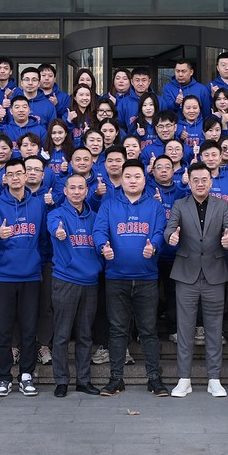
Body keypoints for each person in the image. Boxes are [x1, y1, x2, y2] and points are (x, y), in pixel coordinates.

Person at [93, 161, 169, 397]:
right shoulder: (109, 204)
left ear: (145, 180)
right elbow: (99, 230)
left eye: (137, 176)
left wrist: (154, 246)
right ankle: (116, 379)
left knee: (148, 330)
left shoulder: (154, 206)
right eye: (128, 176)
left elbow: (160, 232)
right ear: (121, 180)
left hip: (147, 278)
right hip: (116, 277)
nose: (133, 180)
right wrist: (103, 246)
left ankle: (154, 379)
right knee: (117, 331)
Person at [164, 162, 228, 399]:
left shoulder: (221, 205)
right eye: (196, 180)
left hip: (214, 273)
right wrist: (171, 237)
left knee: (214, 329)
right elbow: (169, 229)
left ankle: (214, 379)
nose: (200, 184)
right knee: (185, 329)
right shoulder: (179, 204)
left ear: (211, 182)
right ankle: (184, 379)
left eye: (204, 179)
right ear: (189, 182)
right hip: (186, 273)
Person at [0, 158, 49, 398]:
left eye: (20, 173)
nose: (16, 177)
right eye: (10, 174)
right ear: (5, 178)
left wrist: (37, 263)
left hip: (30, 276)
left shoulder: (38, 205)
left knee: (29, 329)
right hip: (3, 277)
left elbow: (43, 241)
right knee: (4, 330)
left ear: (26, 175)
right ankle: (4, 376)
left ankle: (26, 375)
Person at [46, 173, 103, 397]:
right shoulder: (56, 214)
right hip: (66, 280)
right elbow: (54, 227)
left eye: (81, 188)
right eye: (73, 188)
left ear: (87, 191)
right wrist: (58, 232)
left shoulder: (95, 217)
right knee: (61, 335)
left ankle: (83, 380)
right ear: (65, 191)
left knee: (85, 335)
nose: (77, 192)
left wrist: (98, 265)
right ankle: (61, 381)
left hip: (90, 281)